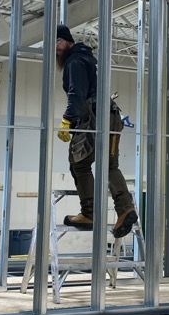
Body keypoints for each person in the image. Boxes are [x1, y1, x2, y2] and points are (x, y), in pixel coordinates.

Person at [56, 24, 138, 237]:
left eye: (58, 42)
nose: (56, 47)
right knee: (109, 164)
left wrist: (67, 120)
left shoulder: (74, 62)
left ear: (68, 41)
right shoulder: (89, 59)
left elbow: (77, 93)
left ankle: (90, 213)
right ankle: (125, 208)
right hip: (112, 116)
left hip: (93, 118)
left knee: (79, 164)